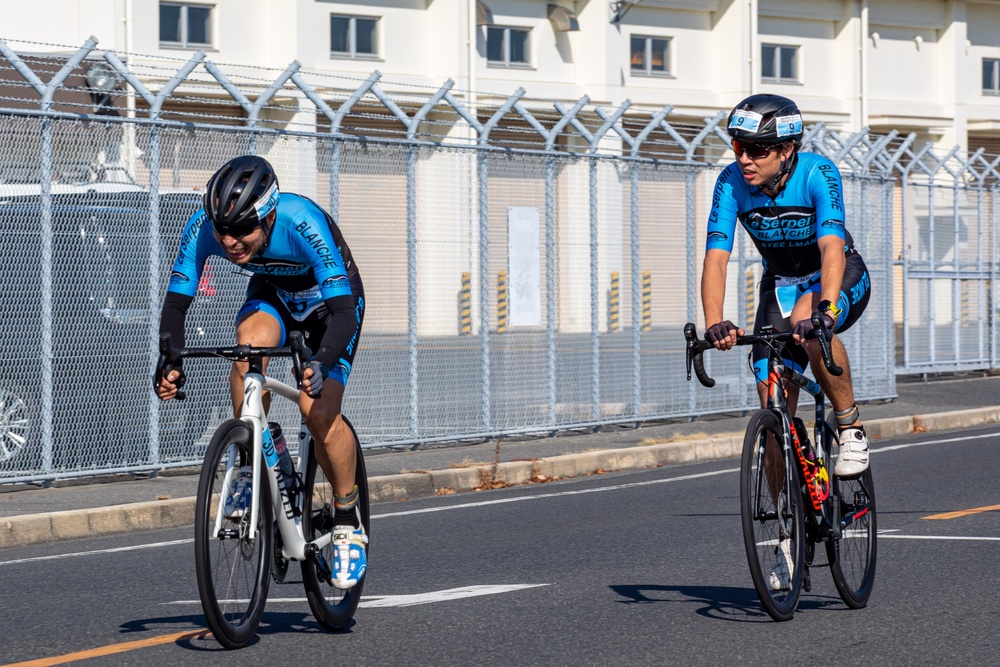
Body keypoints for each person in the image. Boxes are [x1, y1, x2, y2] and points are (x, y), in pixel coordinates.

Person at [154, 155, 367, 590]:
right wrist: (169, 358)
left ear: (269, 216)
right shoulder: (203, 227)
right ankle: (254, 461)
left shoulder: (301, 221)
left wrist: (321, 362)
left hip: (331, 306)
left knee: (317, 409)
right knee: (247, 348)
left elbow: (345, 311)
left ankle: (348, 518)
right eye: (223, 231)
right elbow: (177, 302)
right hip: (274, 296)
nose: (230, 242)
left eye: (242, 231)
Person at [701, 94, 872, 589]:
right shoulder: (731, 182)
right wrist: (715, 322)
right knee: (772, 405)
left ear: (788, 149)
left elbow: (831, 246)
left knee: (810, 324)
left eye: (757, 149)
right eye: (738, 146)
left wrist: (825, 309)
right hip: (780, 282)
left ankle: (851, 427)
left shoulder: (818, 173)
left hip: (836, 273)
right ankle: (786, 532)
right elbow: (717, 257)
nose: (744, 159)